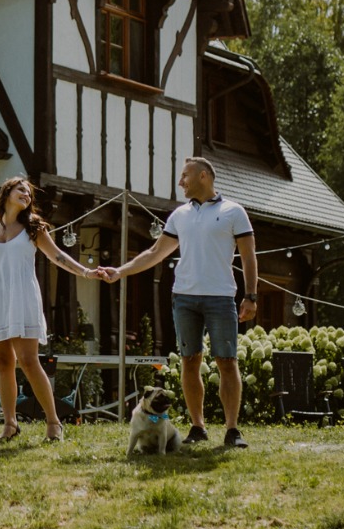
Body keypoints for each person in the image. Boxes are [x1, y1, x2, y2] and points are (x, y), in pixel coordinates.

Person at [99, 156, 259, 448]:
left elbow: (248, 256)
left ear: (203, 176)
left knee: (226, 361)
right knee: (189, 360)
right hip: (184, 296)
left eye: (185, 176)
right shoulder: (179, 215)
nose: (180, 182)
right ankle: (198, 427)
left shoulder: (233, 211)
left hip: (221, 297)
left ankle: (232, 430)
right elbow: (154, 253)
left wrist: (250, 296)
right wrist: (120, 271)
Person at [0, 176, 98, 441]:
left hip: (23, 297)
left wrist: (85, 271)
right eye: (20, 190)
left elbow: (58, 256)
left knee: (29, 360)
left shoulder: (34, 229)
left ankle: (53, 422)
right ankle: (10, 423)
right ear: (6, 194)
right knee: (3, 361)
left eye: (28, 193)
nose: (26, 194)